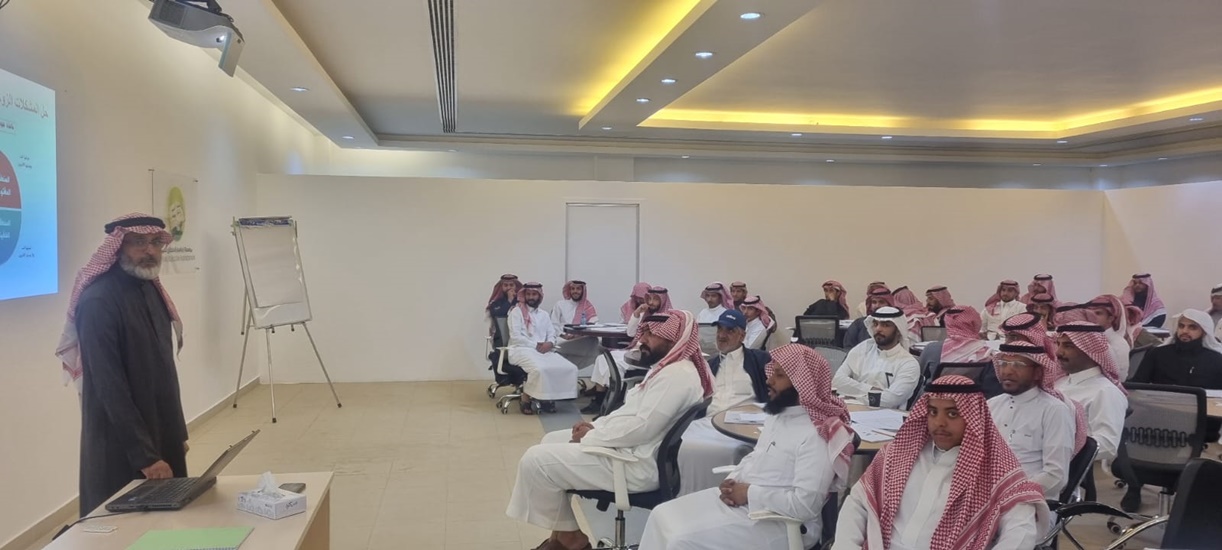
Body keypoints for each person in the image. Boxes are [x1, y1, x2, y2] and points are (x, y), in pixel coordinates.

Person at [506, 311, 713, 550]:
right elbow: (631, 414)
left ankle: (572, 539)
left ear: (673, 338)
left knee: (535, 461)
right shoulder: (668, 369)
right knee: (550, 440)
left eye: (651, 334)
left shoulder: (677, 376)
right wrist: (595, 426)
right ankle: (560, 537)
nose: (642, 339)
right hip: (632, 450)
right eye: (643, 332)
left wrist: (592, 436)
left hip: (635, 464)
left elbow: (641, 428)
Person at [641, 345, 855, 550]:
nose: (769, 380)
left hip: (782, 523)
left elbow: (805, 506)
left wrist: (749, 494)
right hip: (746, 504)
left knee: (680, 541)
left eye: (779, 375)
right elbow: (756, 457)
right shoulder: (779, 416)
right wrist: (734, 480)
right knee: (660, 515)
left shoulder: (817, 435)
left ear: (801, 385)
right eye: (772, 372)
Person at [57, 214, 189, 515]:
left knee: (167, 524)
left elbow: (166, 373)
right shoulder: (99, 301)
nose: (149, 250)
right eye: (138, 242)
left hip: (160, 431)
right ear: (118, 247)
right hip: (122, 446)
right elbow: (109, 387)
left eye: (155, 242)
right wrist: (145, 456)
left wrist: (177, 434)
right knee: (125, 527)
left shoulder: (150, 290)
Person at [832, 376, 1049, 550]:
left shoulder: (996, 469)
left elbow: (1021, 531)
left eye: (953, 414)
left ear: (972, 417)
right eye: (933, 412)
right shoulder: (897, 455)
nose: (940, 422)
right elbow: (858, 503)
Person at [1125, 308, 1222, 511]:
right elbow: (1135, 386)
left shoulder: (1216, 360)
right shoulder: (1158, 354)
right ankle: (1134, 486)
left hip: (1200, 423)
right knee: (1140, 443)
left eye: (1192, 327)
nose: (1185, 331)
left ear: (1204, 331)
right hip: (1158, 416)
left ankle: (1185, 489)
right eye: (1182, 326)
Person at [676, 310, 773, 495]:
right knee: (680, 443)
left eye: (729, 330)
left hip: (743, 427)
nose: (721, 335)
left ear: (742, 336)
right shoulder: (710, 364)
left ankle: (728, 495)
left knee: (731, 451)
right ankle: (686, 495)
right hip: (707, 422)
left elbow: (773, 391)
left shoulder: (759, 360)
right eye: (719, 329)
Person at [988, 344, 1078, 497]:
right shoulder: (991, 405)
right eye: (1003, 363)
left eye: (1018, 365)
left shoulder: (1054, 410)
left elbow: (1056, 476)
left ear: (1037, 373)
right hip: (987, 495)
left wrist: (1010, 494)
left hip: (1029, 500)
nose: (1007, 371)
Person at [585, 285, 670, 414]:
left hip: (650, 356)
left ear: (663, 300)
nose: (651, 303)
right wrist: (636, 314)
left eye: (655, 299)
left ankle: (614, 398)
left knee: (615, 364)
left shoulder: (668, 318)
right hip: (636, 350)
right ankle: (599, 399)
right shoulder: (646, 314)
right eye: (650, 299)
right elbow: (631, 333)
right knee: (602, 358)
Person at [1053, 323, 1128, 464]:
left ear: (1089, 350)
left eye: (1068, 346)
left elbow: (1107, 445)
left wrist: (1054, 448)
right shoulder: (1059, 383)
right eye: (1058, 344)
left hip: (1068, 465)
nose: (1058, 352)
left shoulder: (1105, 392)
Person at [508, 282, 579, 414]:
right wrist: (536, 345)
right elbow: (515, 337)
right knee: (540, 369)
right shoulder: (516, 312)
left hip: (544, 350)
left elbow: (552, 334)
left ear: (539, 296)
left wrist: (550, 343)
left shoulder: (544, 314)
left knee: (569, 367)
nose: (531, 297)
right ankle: (525, 399)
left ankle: (548, 398)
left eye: (534, 294)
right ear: (524, 295)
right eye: (528, 294)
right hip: (521, 349)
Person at [833, 307, 922, 410]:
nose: (878, 329)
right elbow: (837, 381)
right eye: (875, 324)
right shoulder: (862, 348)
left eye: (885, 325)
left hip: (885, 416)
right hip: (849, 409)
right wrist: (871, 389)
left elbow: (890, 400)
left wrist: (852, 394)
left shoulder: (908, 363)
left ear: (898, 330)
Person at [917, 307, 994, 388]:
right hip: (974, 394)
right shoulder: (986, 352)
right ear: (976, 324)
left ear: (947, 324)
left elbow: (919, 374)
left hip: (935, 394)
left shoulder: (932, 349)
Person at [549, 280, 601, 371]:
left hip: (580, 339)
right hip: (562, 339)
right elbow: (553, 324)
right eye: (573, 289)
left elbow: (594, 324)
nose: (575, 291)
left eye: (578, 289)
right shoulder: (560, 305)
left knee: (595, 342)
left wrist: (579, 335)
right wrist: (563, 335)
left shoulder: (587, 307)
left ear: (583, 290)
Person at [1086, 294, 1132, 380]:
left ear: (1110, 318)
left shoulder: (1118, 343)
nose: (1092, 317)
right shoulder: (1089, 338)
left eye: (1098, 313)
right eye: (1090, 313)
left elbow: (1120, 378)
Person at [843, 285, 893, 350]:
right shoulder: (859, 323)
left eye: (881, 302)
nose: (877, 306)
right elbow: (848, 346)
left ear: (889, 304)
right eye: (874, 302)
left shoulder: (895, 324)